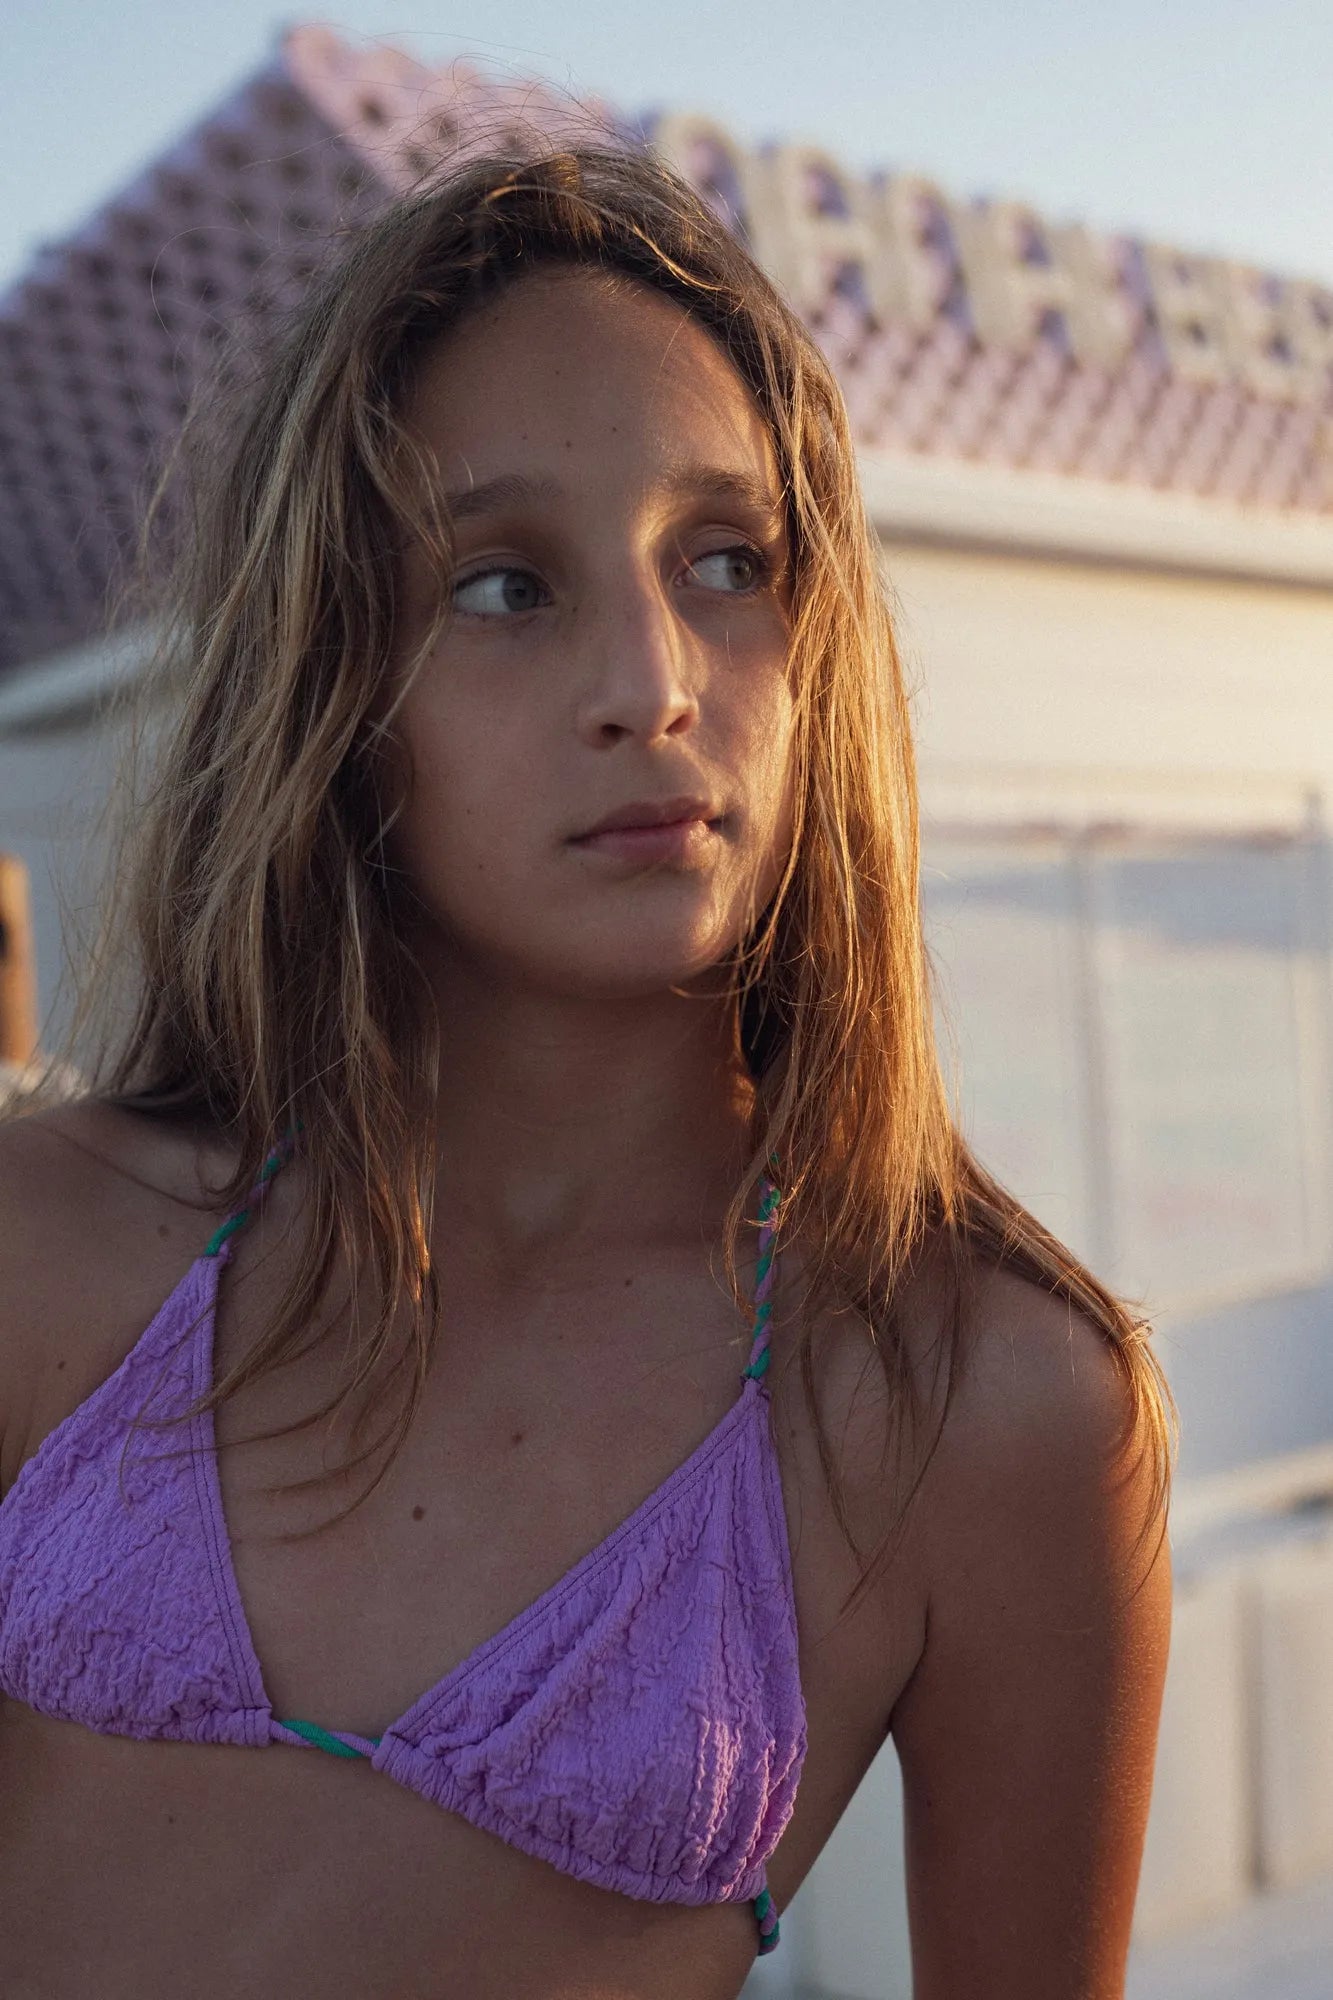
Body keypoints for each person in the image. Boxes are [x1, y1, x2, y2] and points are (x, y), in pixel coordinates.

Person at [0, 143, 1175, 1999]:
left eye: (726, 563)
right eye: (499, 586)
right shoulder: (48, 1246)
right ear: (334, 691)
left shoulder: (982, 1403)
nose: (651, 681)